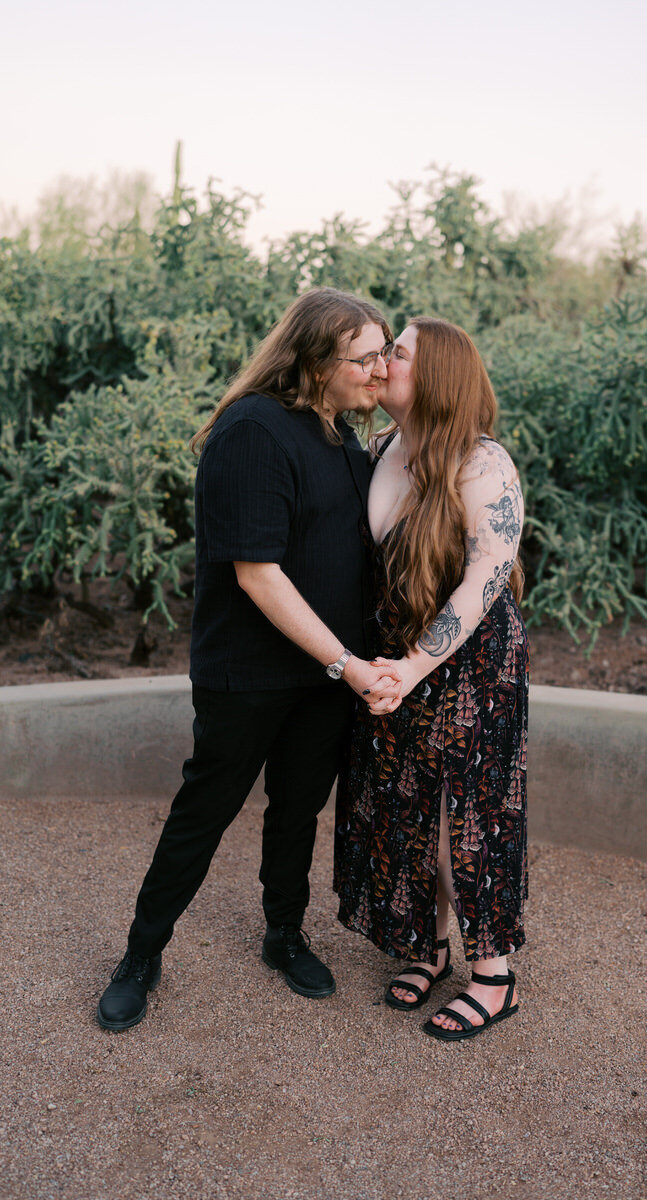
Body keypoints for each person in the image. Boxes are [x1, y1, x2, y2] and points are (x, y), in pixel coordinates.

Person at [97, 288, 401, 1031]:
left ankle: (283, 934)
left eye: (385, 353)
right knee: (205, 814)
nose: (380, 370)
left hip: (325, 675)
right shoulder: (254, 432)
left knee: (297, 812)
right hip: (250, 673)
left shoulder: (340, 433)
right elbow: (257, 573)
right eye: (365, 357)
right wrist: (350, 665)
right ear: (314, 357)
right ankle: (141, 955)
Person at [334, 317, 529, 1041]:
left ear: (437, 375)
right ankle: (427, 944)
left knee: (464, 818)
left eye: (399, 352)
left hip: (469, 663)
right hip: (394, 661)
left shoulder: (483, 464)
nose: (383, 363)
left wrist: (416, 665)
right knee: (404, 806)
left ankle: (492, 976)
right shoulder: (381, 449)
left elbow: (486, 578)